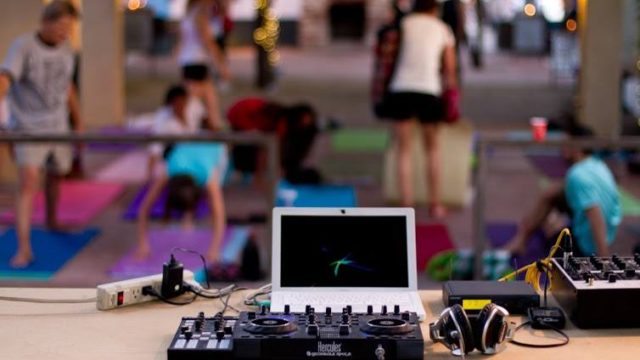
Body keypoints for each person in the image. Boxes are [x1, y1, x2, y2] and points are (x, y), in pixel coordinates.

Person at [0, 0, 81, 268]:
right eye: (60, 28)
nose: (64, 34)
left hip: (58, 126)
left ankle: (52, 220)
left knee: (57, 175)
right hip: (28, 128)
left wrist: (77, 119)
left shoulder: (67, 47)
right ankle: (23, 248)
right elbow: (4, 80)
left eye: (68, 29)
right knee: (28, 183)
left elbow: (67, 85)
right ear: (45, 21)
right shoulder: (23, 46)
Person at [385, 0, 458, 218]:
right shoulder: (442, 29)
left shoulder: (405, 23)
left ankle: (406, 205)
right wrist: (452, 94)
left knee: (403, 150)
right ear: (435, 7)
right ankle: (435, 204)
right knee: (432, 149)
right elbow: (450, 69)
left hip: (401, 88)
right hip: (429, 90)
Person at [504, 129, 621, 257]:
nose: (562, 148)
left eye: (567, 144)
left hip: (587, 246)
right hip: (609, 231)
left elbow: (594, 213)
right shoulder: (598, 165)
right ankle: (523, 239)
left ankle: (545, 230)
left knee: (550, 241)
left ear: (577, 147)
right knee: (551, 194)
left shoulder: (577, 175)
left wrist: (603, 256)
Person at [136, 141, 228, 262]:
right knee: (191, 198)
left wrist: (215, 249)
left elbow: (219, 214)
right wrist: (143, 244)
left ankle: (189, 217)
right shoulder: (169, 171)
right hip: (188, 147)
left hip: (214, 146)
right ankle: (187, 218)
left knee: (215, 200)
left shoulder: (208, 175)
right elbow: (144, 209)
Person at [226, 97, 321, 185]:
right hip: (241, 119)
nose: (303, 126)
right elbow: (267, 148)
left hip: (241, 119)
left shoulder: (279, 120)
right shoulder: (279, 123)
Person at [176, 0, 230, 130]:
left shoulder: (189, 14)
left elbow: (183, 40)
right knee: (197, 97)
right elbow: (208, 41)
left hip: (188, 60)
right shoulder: (200, 15)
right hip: (197, 60)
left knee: (206, 95)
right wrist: (221, 64)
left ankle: (213, 126)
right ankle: (209, 127)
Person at [147, 85, 206, 181]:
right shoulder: (163, 118)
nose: (181, 106)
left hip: (192, 151)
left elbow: (199, 128)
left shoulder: (193, 108)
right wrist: (149, 175)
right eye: (177, 103)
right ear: (170, 103)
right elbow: (155, 148)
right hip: (174, 152)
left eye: (184, 102)